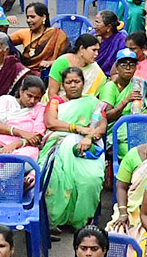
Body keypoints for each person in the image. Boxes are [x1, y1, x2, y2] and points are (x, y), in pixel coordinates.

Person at [39, 66, 108, 231]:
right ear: (63, 84)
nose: (73, 85)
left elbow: (101, 127)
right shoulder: (56, 101)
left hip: (88, 146)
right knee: (53, 174)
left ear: (83, 83)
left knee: (90, 179)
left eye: (77, 81)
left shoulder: (93, 102)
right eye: (69, 82)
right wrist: (78, 129)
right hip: (58, 145)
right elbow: (51, 123)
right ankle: (54, 221)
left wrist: (88, 137)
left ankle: (81, 221)